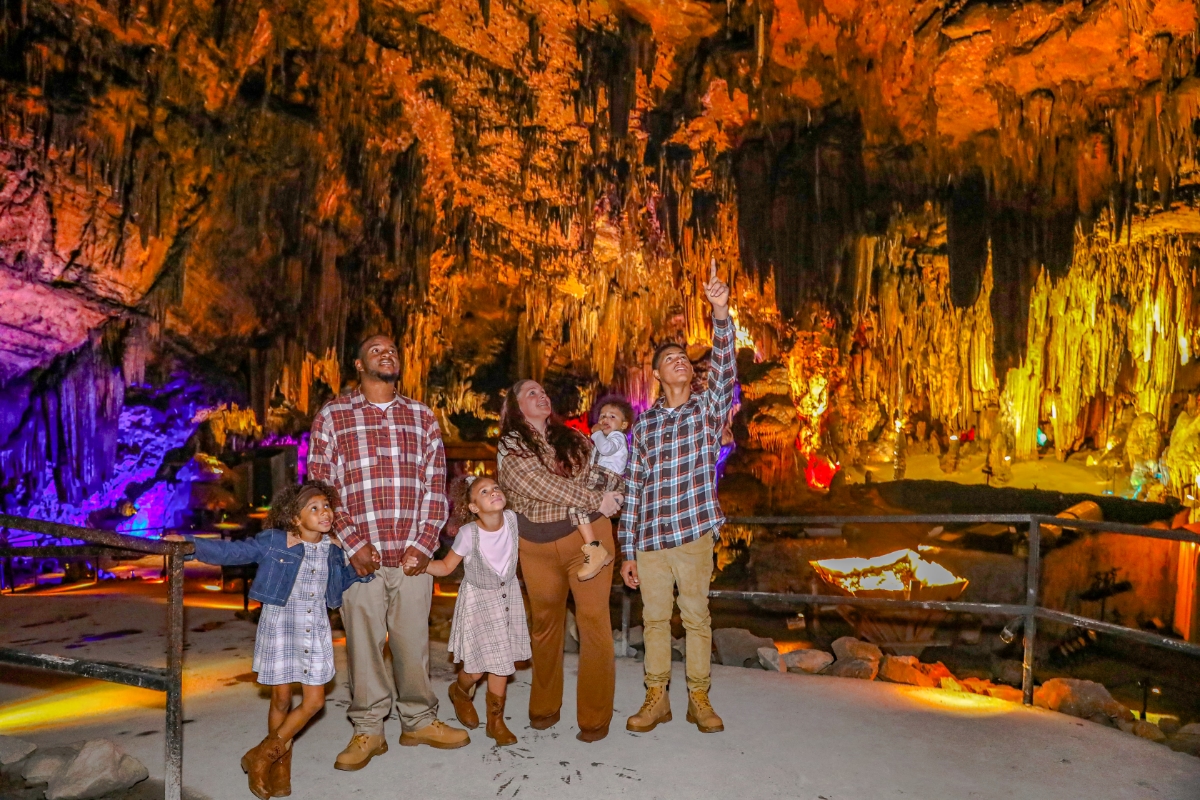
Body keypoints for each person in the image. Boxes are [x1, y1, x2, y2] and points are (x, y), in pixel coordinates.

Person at [308, 333, 469, 772]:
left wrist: (423, 545)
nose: (387, 354)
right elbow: (321, 488)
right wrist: (353, 543)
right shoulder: (333, 416)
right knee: (363, 645)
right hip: (357, 555)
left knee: (413, 642)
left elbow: (435, 487)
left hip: (411, 555)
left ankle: (418, 720)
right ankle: (369, 729)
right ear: (358, 365)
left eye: (393, 350)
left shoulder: (421, 416)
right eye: (376, 350)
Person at [166, 481, 367, 799]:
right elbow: (235, 551)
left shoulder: (333, 551)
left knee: (313, 702)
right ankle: (281, 766)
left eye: (326, 506)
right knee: (282, 700)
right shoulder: (275, 541)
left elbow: (339, 583)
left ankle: (261, 756)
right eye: (313, 508)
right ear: (295, 519)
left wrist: (363, 571)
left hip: (315, 629)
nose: (324, 512)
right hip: (280, 626)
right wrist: (191, 545)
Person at [619, 258, 735, 735]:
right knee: (654, 621)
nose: (682, 362)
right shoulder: (644, 424)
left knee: (697, 618)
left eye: (685, 358)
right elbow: (633, 486)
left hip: (691, 532)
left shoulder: (707, 409)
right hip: (648, 537)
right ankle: (656, 698)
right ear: (658, 376)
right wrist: (626, 548)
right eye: (671, 360)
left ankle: (699, 700)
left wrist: (721, 313)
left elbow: (724, 370)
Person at [496, 380, 624, 742]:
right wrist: (592, 499)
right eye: (531, 393)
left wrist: (597, 496)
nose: (542, 396)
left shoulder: (575, 438)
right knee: (545, 625)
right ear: (516, 406)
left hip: (589, 541)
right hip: (536, 548)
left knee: (594, 623)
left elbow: (607, 476)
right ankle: (544, 707)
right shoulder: (510, 445)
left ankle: (595, 718)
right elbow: (530, 483)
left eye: (543, 391)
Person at [417, 475, 530, 746]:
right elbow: (445, 567)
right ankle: (460, 691)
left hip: (508, 598)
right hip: (479, 602)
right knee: (477, 670)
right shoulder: (469, 534)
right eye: (483, 492)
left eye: (495, 488)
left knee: (502, 665)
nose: (493, 492)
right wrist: (419, 564)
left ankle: (496, 721)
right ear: (474, 507)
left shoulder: (513, 521)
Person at [572, 397, 634, 581]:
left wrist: (596, 433)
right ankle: (595, 548)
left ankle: (594, 548)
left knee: (576, 502)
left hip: (606, 477)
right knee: (575, 504)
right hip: (600, 477)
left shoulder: (617, 437)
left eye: (612, 417)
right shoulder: (602, 440)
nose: (605, 419)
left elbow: (606, 450)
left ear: (623, 425)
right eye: (602, 416)